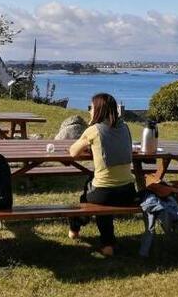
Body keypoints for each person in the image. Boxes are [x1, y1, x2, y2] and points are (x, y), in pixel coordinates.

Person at [68, 93, 137, 256]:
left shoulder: (94, 130)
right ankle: (107, 244)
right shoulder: (125, 127)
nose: (90, 111)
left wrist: (87, 145)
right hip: (128, 192)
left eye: (91, 107)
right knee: (97, 192)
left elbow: (73, 152)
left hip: (104, 194)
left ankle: (76, 224)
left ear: (99, 110)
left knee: (91, 197)